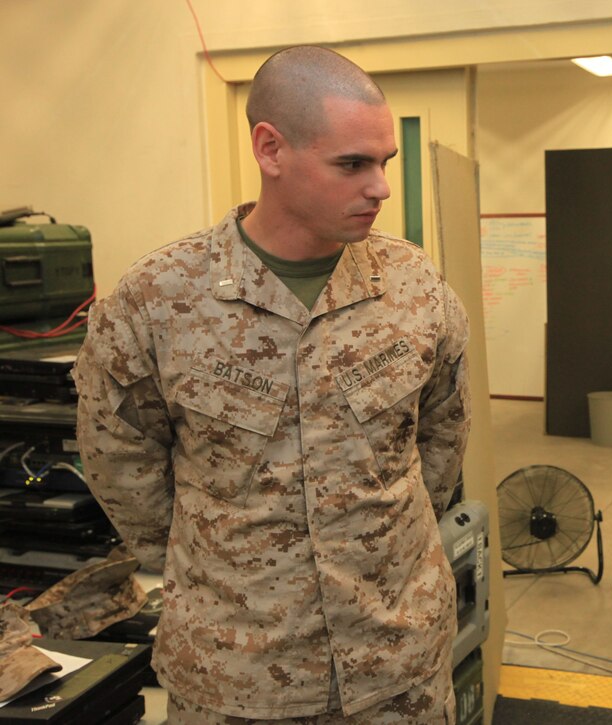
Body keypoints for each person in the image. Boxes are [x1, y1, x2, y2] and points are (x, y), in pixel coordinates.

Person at [74, 46, 470, 723]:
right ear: (270, 149)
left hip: (397, 668)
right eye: (353, 163)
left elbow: (441, 435)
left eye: (385, 163)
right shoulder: (158, 300)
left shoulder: (414, 286)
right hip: (239, 676)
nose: (380, 187)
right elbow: (122, 467)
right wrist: (228, 560)